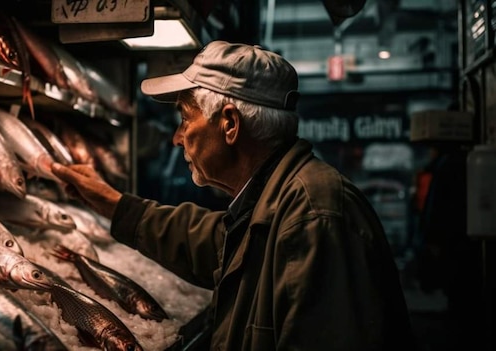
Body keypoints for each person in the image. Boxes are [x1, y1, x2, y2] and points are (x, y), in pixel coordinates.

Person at [52, 40, 416, 350]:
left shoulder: (313, 215)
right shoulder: (270, 202)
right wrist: (108, 201)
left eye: (185, 118)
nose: (178, 137)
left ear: (229, 124)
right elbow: (205, 240)